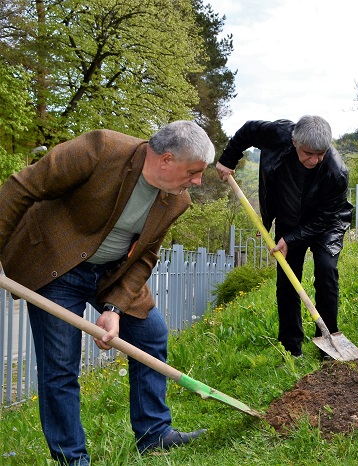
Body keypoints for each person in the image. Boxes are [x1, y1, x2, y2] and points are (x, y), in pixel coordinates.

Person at [0, 120, 214, 465]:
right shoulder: (99, 149)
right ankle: (72, 458)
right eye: (193, 171)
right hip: (56, 264)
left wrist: (114, 308)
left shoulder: (176, 201)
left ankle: (154, 435)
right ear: (166, 159)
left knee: (151, 333)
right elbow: (22, 186)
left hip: (112, 275)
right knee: (60, 365)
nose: (197, 181)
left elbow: (145, 255)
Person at [215, 115, 353, 359]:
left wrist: (294, 238)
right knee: (287, 281)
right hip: (290, 219)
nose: (315, 160)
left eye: (320, 154)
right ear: (294, 142)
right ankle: (292, 347)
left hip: (326, 223)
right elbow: (247, 131)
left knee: (326, 270)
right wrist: (227, 160)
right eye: (309, 153)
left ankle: (329, 342)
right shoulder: (276, 133)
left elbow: (328, 215)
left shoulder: (336, 172)